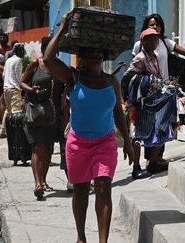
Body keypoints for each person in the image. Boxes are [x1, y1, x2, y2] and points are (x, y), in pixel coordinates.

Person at [43, 12, 135, 243]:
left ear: (103, 57)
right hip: (78, 144)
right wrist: (63, 26)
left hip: (105, 143)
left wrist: (128, 142)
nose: (95, 56)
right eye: (90, 53)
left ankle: (103, 241)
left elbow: (118, 114)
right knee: (81, 190)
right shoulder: (73, 77)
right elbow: (48, 59)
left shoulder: (111, 82)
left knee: (104, 187)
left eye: (98, 53)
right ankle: (81, 237)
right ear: (82, 56)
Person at [131, 14, 185, 173]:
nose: (155, 27)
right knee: (139, 129)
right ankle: (136, 167)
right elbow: (134, 67)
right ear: (145, 27)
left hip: (163, 91)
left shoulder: (165, 42)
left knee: (162, 127)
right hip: (145, 92)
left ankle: (153, 162)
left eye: (157, 25)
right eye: (151, 24)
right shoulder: (139, 45)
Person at [122, 28, 165, 178]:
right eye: (150, 39)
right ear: (143, 42)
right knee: (136, 136)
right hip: (138, 104)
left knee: (152, 132)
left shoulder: (155, 57)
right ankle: (136, 167)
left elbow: (157, 77)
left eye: (155, 39)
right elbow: (127, 77)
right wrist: (128, 100)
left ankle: (151, 163)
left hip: (152, 102)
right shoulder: (140, 58)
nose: (153, 42)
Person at [20, 37, 55, 199]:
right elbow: (22, 82)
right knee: (37, 147)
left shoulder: (57, 67)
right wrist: (32, 90)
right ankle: (37, 183)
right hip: (34, 112)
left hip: (51, 113)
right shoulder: (35, 64)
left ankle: (44, 180)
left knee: (47, 147)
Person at [0, 43, 26, 139]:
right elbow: (19, 78)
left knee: (8, 110)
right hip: (14, 88)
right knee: (16, 112)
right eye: (21, 50)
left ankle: (3, 131)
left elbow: (3, 75)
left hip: (6, 88)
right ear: (17, 51)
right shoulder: (18, 60)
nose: (23, 52)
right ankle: (15, 134)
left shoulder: (8, 60)